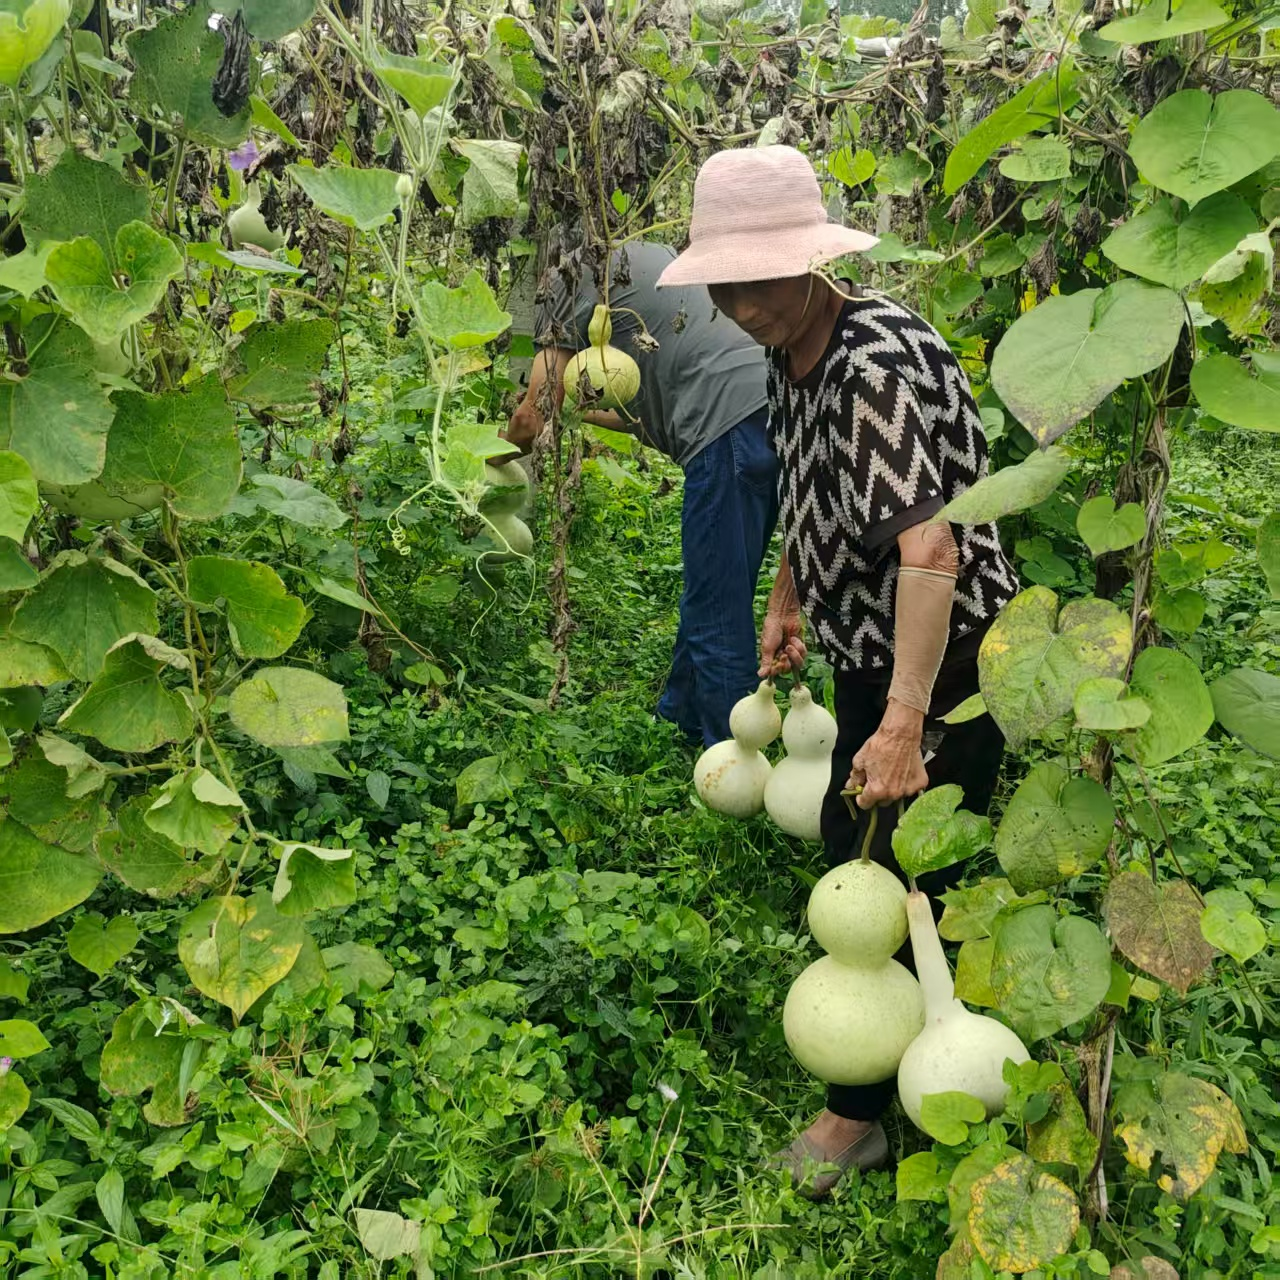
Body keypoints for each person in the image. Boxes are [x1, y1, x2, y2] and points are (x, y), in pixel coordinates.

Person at [657, 146, 1020, 1196]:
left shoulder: (868, 368)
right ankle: (909, 1064)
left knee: (901, 860)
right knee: (856, 841)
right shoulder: (799, 343)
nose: (741, 304)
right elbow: (819, 491)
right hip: (876, 636)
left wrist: (902, 718)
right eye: (725, 283)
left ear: (812, 262)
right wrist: (786, 598)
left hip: (941, 650)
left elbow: (930, 554)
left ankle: (865, 1112)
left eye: (760, 279)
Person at [505, 241, 780, 748]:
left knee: (719, 608)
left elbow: (530, 416)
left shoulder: (567, 276)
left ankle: (734, 758)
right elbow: (633, 411)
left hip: (724, 420)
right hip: (772, 404)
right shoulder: (642, 258)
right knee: (720, 584)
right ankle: (679, 718)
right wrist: (569, 411)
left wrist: (483, 464)